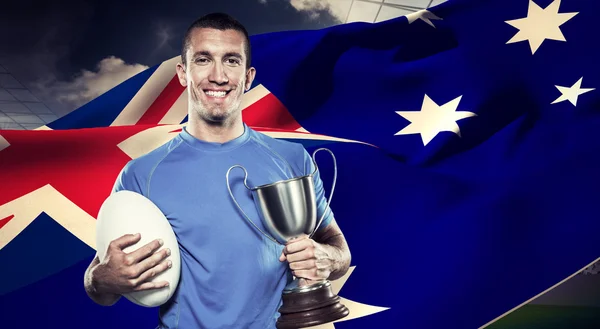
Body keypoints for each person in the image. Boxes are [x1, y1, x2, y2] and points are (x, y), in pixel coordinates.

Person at [83, 12, 351, 329]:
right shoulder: (141, 174)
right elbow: (100, 283)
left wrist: (325, 258)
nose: (219, 76)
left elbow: (338, 249)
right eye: (203, 59)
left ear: (249, 76)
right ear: (183, 73)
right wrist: (103, 279)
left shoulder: (293, 159)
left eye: (232, 61)